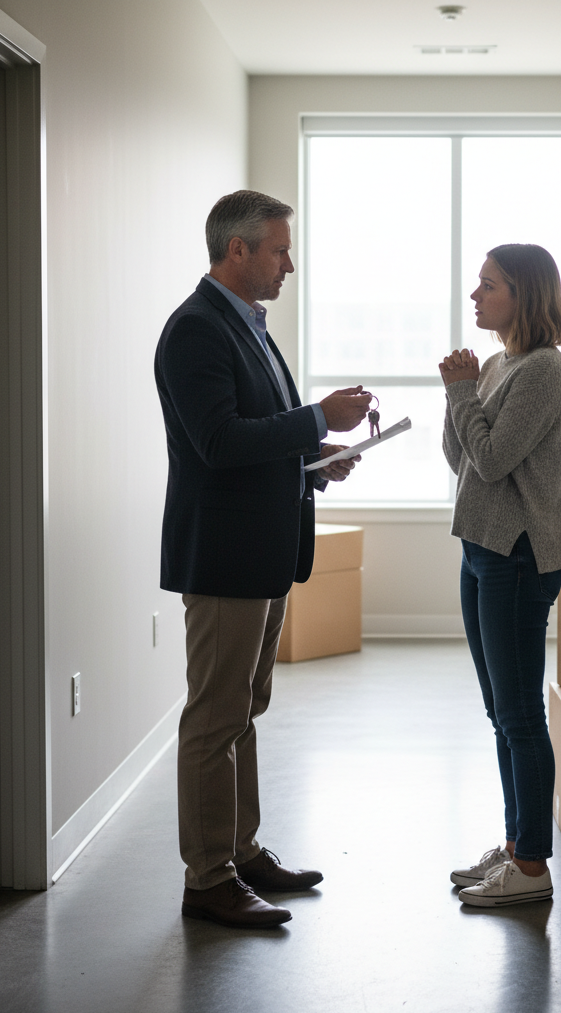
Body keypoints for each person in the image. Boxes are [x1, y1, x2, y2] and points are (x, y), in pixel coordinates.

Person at [155, 190, 372, 928]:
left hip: (262, 551)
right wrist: (316, 418)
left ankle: (240, 853)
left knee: (245, 710)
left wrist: (314, 456)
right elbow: (218, 443)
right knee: (214, 719)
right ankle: (207, 879)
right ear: (237, 249)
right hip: (224, 557)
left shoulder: (245, 327)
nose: (290, 264)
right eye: (279, 249)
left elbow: (254, 433)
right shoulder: (194, 331)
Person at [440, 243, 561, 907]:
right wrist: (458, 393)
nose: (476, 295)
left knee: (520, 715)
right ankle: (518, 842)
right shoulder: (498, 363)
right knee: (501, 713)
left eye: (488, 285)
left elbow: (490, 460)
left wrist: (464, 394)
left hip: (517, 557)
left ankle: (533, 865)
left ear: (523, 293)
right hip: (480, 548)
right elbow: (456, 454)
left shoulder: (544, 370)